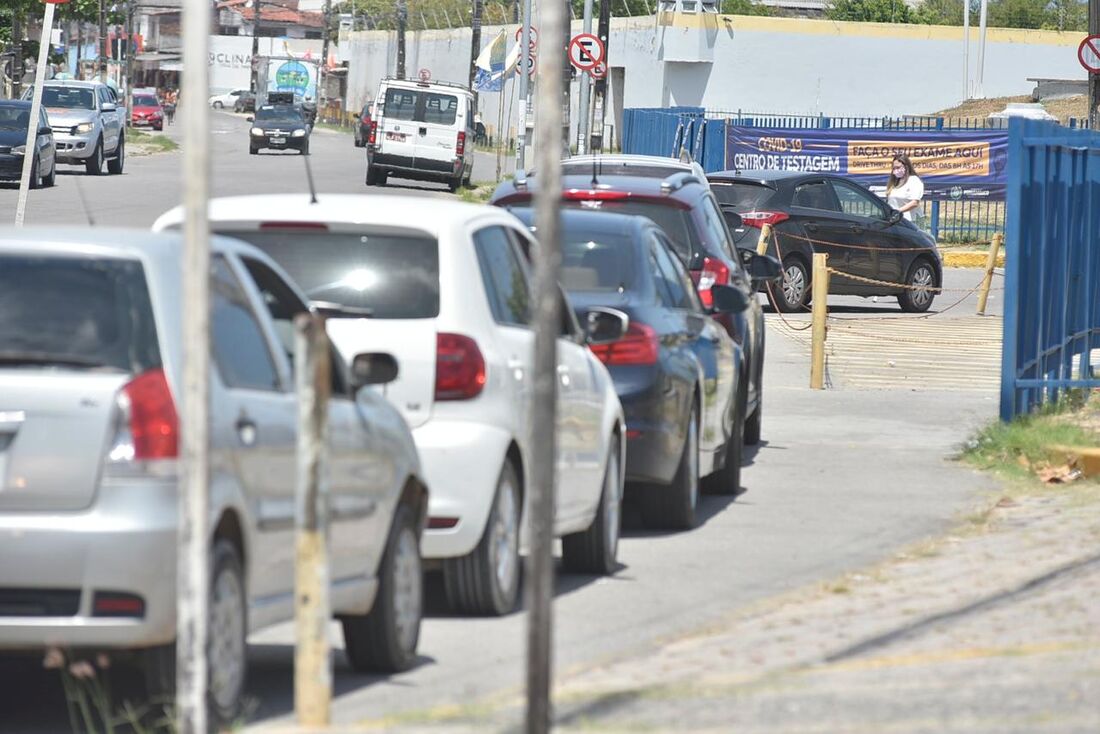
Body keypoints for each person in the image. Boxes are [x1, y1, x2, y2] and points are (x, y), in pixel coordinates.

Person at [885, 154, 924, 224]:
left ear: (906, 167)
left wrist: (898, 211)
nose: (896, 170)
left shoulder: (913, 180)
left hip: (910, 221)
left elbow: (915, 203)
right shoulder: (895, 182)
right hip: (896, 220)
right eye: (894, 168)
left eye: (898, 167)